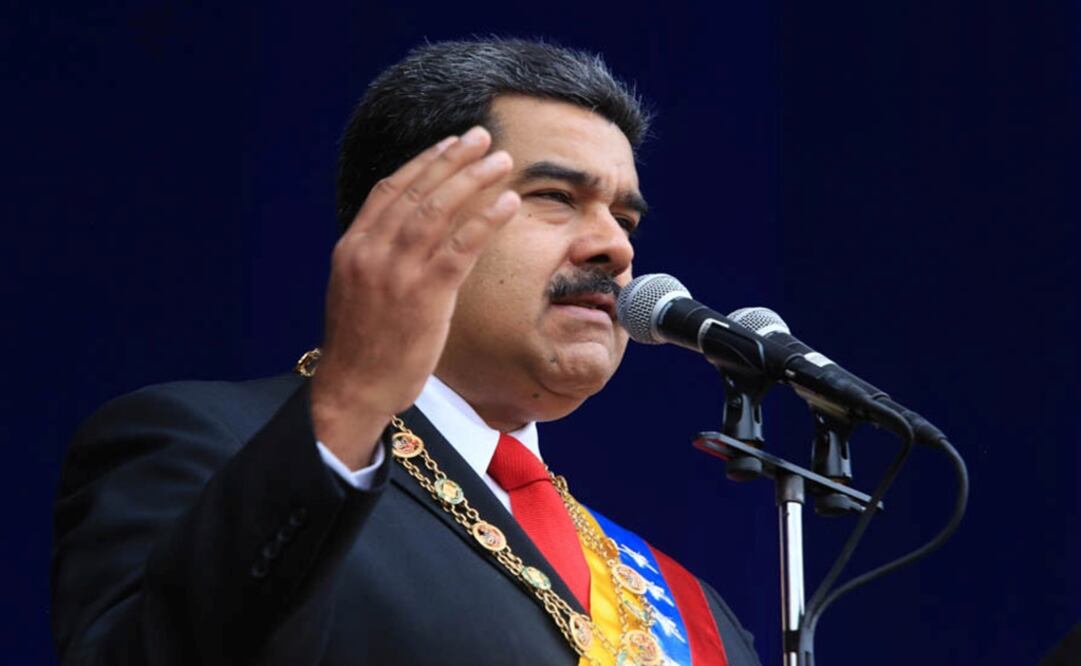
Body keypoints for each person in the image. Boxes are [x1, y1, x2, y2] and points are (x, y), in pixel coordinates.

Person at [51, 38, 761, 665]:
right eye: (554, 196)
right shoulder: (203, 446)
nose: (617, 246)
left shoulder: (692, 613)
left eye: (624, 216)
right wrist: (351, 401)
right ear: (407, 214)